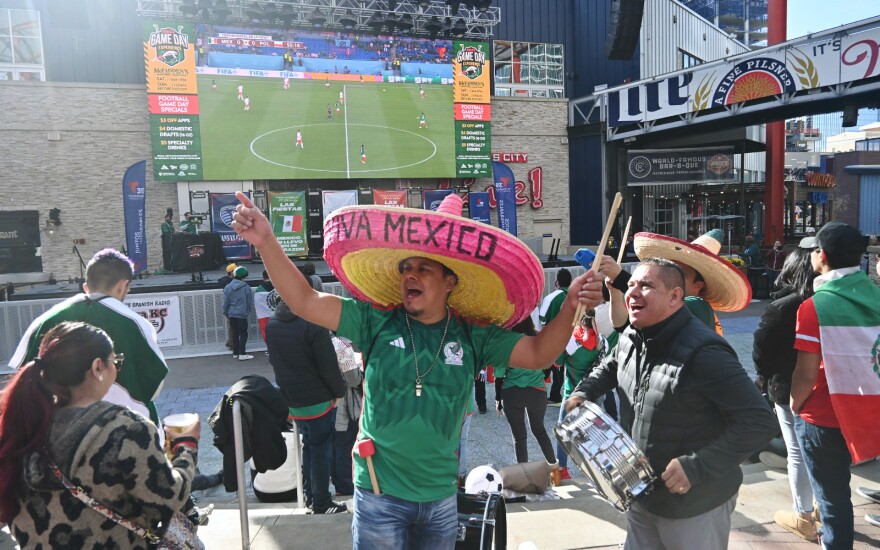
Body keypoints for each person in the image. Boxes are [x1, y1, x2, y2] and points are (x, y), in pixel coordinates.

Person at [231, 191, 599, 548]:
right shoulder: (373, 321)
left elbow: (538, 354)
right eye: (406, 268)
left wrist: (570, 306)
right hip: (380, 496)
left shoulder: (473, 336)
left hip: (440, 498)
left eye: (424, 268)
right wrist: (265, 242)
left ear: (450, 281)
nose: (411, 275)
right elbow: (305, 300)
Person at [567, 258, 777, 550]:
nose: (633, 293)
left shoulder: (705, 351)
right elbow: (611, 365)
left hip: (696, 503)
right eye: (630, 285)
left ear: (675, 297)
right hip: (641, 492)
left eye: (646, 285)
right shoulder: (631, 335)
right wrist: (585, 391)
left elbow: (760, 422)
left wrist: (697, 465)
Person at [0, 322, 200, 548]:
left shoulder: (22, 425)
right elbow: (166, 500)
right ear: (97, 368)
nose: (116, 369)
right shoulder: (126, 429)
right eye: (115, 362)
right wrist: (186, 446)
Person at [790, 222, 880, 550]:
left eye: (815, 249)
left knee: (832, 499)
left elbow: (805, 373)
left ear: (822, 256)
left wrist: (794, 403)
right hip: (871, 409)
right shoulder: (877, 294)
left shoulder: (814, 307)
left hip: (824, 418)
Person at [10, 249, 168, 427]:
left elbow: (23, 376)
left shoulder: (44, 321)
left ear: (86, 286)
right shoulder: (137, 324)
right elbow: (154, 386)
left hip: (54, 431)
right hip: (126, 430)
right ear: (123, 286)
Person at [752, 239, 818, 541]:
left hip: (787, 385)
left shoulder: (782, 306)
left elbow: (762, 347)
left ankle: (803, 513)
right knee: (822, 451)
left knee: (797, 452)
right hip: (828, 385)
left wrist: (763, 376)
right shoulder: (828, 300)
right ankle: (819, 506)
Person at [267, 300, 347, 513]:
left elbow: (275, 362)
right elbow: (328, 366)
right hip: (319, 400)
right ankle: (321, 501)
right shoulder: (313, 325)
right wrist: (340, 392)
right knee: (321, 450)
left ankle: (311, 496)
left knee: (309, 447)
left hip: (292, 399)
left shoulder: (273, 323)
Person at [602, 230, 752, 336]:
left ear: (698, 286)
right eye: (668, 271)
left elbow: (662, 305)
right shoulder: (660, 311)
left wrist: (620, 276)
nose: (670, 277)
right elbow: (622, 325)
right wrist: (614, 290)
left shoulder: (698, 307)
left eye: (680, 273)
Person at [555, 292, 618, 481]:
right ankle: (600, 470)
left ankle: (562, 469)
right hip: (595, 395)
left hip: (571, 393)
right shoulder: (603, 342)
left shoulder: (571, 342)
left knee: (563, 431)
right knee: (596, 434)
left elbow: (558, 362)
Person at [493, 317, 558, 473]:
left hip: (511, 392)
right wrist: (542, 375)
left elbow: (499, 375)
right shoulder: (538, 339)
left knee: (519, 438)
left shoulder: (507, 343)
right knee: (539, 430)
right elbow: (550, 363)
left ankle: (524, 477)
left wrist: (498, 399)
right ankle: (555, 470)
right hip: (537, 391)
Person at [331, 335, 363, 498]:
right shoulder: (341, 345)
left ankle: (337, 483)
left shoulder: (311, 340)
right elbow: (354, 379)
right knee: (345, 446)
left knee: (332, 447)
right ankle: (345, 485)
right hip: (342, 403)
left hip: (321, 402)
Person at [539, 268, 572, 404]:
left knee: (545, 368)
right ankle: (556, 396)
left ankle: (540, 394)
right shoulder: (574, 297)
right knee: (562, 369)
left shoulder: (551, 297)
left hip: (551, 339)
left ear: (557, 282)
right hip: (569, 340)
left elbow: (542, 319)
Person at [223, 265, 254, 361]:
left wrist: (226, 312)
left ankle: (235, 352)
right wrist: (247, 311)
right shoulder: (246, 287)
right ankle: (242, 353)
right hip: (242, 314)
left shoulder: (228, 287)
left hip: (232, 314)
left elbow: (225, 302)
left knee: (235, 333)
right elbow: (249, 302)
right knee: (243, 333)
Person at [218, 263, 237, 351]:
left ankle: (231, 342)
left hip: (230, 308)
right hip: (232, 308)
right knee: (233, 327)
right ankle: (232, 344)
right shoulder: (230, 284)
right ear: (231, 272)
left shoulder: (224, 281)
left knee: (232, 327)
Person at [254, 270, 277, 342]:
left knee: (267, 333)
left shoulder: (259, 289)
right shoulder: (278, 286)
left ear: (263, 278)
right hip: (277, 315)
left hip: (263, 316)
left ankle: (269, 349)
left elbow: (257, 303)